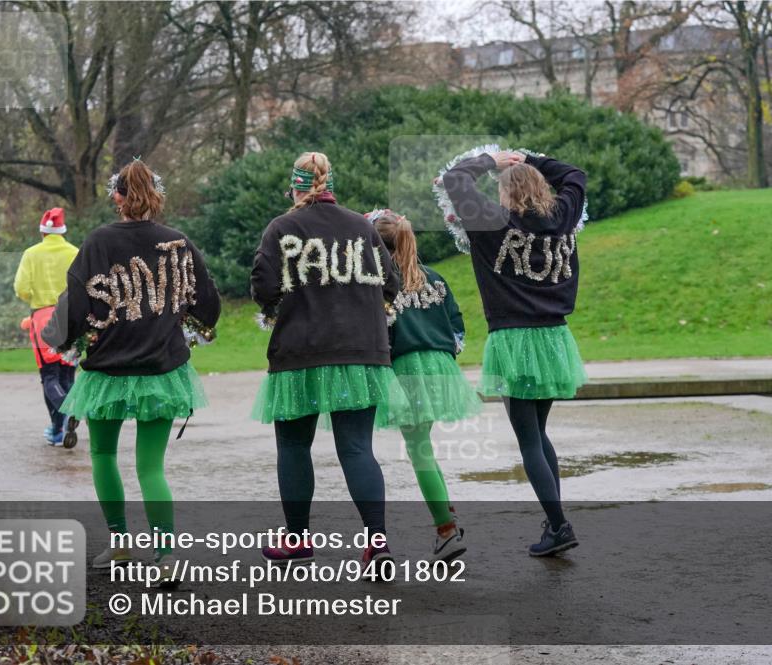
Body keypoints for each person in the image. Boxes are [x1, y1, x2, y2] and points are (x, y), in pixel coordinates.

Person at [42, 159, 220, 581]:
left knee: (103, 454)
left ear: (117, 197)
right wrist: (184, 324)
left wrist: (63, 339)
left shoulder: (99, 242)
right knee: (151, 466)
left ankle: (120, 544)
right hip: (162, 366)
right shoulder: (178, 243)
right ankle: (166, 555)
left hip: (107, 369)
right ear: (155, 196)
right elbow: (208, 305)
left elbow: (76, 305)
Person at [250, 152, 405, 576]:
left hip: (301, 350)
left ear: (297, 186)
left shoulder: (282, 228)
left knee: (294, 446)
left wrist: (287, 301)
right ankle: (378, 544)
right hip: (361, 351)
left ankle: (297, 540)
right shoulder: (362, 227)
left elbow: (263, 287)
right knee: (357, 448)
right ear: (330, 183)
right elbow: (391, 283)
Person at [442, 149, 587, 557]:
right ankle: (553, 520)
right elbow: (575, 173)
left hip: (514, 338)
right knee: (539, 433)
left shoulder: (491, 223)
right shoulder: (564, 218)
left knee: (528, 438)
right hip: (556, 338)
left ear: (504, 194)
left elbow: (455, 180)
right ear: (542, 186)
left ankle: (559, 524)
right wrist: (532, 157)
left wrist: (490, 158)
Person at [369, 208, 480, 562]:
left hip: (407, 368)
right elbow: (457, 326)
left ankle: (446, 530)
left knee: (419, 452)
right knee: (424, 447)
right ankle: (447, 517)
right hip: (441, 366)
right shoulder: (435, 277)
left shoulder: (379, 284)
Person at [14, 207, 80, 447]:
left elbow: (21, 287)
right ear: (63, 231)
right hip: (71, 316)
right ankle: (68, 417)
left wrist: (36, 296)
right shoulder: (74, 252)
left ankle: (59, 426)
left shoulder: (32, 254)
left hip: (43, 317)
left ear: (43, 232)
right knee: (67, 373)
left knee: (50, 375)